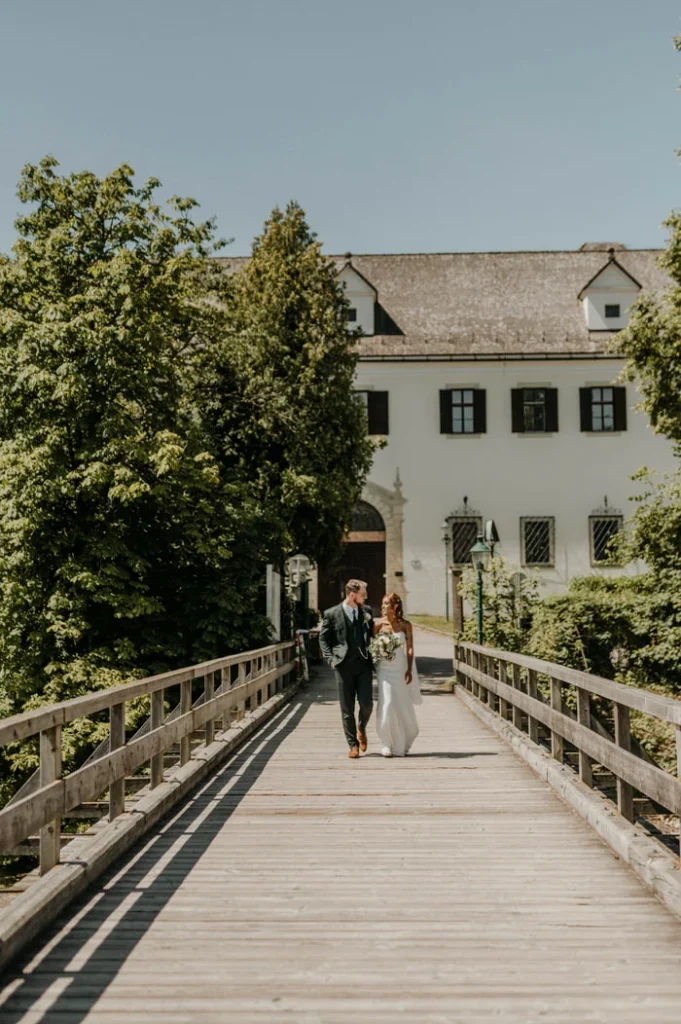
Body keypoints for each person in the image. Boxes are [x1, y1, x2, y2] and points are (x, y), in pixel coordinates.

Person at [319, 579, 374, 759]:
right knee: (347, 707)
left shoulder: (366, 612)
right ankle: (353, 745)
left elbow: (371, 635)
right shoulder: (332, 614)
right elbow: (323, 639)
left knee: (367, 704)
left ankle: (362, 728)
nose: (366, 597)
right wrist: (330, 659)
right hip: (343, 665)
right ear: (353, 595)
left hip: (363, 664)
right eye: (363, 594)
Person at [374, 593, 422, 757]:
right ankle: (386, 742)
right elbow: (372, 646)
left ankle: (406, 737)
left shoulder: (405, 625)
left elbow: (409, 648)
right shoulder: (378, 625)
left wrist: (409, 669)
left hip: (400, 668)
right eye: (383, 603)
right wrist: (377, 656)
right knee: (387, 702)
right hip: (384, 669)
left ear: (395, 606)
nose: (383, 606)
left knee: (401, 704)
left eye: (387, 603)